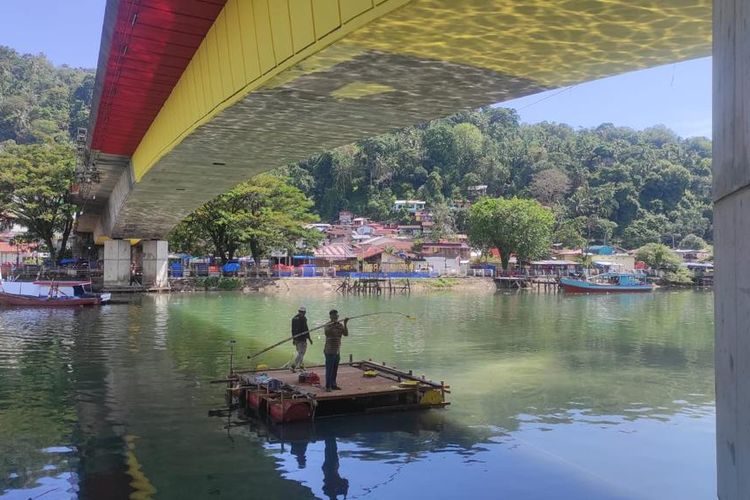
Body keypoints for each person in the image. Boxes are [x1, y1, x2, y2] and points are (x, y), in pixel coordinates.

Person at [323, 309, 348, 392]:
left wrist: (345, 323)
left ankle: (333, 384)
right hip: (329, 350)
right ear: (330, 316)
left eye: (336, 315)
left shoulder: (340, 325)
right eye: (333, 315)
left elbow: (346, 334)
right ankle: (328, 386)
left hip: (337, 350)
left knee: (335, 369)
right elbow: (327, 333)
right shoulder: (327, 325)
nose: (335, 317)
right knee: (329, 369)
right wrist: (333, 324)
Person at [291, 306, 312, 371]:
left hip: (296, 338)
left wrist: (293, 339)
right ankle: (293, 366)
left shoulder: (294, 318)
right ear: (304, 312)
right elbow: (306, 329)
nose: (303, 313)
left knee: (300, 353)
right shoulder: (303, 318)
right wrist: (309, 338)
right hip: (302, 339)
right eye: (303, 312)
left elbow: (292, 330)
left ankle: (301, 366)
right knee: (301, 353)